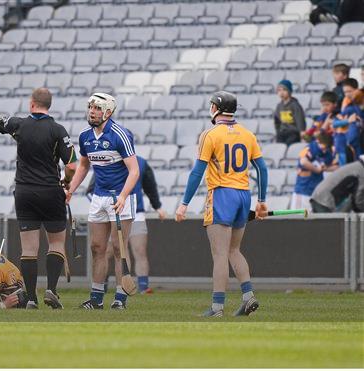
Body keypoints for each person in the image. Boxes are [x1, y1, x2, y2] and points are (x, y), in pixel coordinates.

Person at [0, 88, 77, 310]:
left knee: (29, 249)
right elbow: (72, 164)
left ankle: (31, 298)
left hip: (24, 193)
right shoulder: (57, 130)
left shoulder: (18, 125)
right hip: (51, 192)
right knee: (56, 243)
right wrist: (66, 181)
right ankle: (51, 289)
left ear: (32, 104)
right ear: (48, 105)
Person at [175, 91, 269, 317]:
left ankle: (217, 307)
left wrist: (184, 203)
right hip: (243, 194)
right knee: (234, 250)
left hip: (221, 195)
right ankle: (248, 297)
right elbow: (262, 169)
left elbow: (198, 171)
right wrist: (262, 201)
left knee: (219, 254)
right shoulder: (247, 134)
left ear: (216, 108)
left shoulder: (210, 134)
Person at [66, 93, 139, 310]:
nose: (92, 111)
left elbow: (134, 171)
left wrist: (124, 196)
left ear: (107, 112)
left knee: (119, 248)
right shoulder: (85, 136)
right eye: (90, 107)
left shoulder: (120, 134)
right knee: (97, 247)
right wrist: (71, 189)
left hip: (120, 197)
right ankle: (96, 299)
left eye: (97, 108)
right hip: (98, 197)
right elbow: (83, 165)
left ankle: (120, 299)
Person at [86, 155, 166, 294]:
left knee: (139, 250)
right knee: (113, 251)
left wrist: (157, 206)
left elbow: (150, 186)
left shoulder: (141, 162)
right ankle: (105, 286)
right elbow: (92, 188)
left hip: (137, 212)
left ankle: (142, 286)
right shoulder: (106, 160)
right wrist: (102, 207)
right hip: (113, 214)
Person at [291, 133, 337, 210]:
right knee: (298, 218)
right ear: (317, 141)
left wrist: (325, 168)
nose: (325, 150)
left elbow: (337, 167)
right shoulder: (308, 148)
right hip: (303, 190)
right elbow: (303, 162)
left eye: (326, 147)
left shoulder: (328, 153)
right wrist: (317, 170)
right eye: (323, 147)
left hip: (316, 191)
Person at [333, 78, 364, 165]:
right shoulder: (349, 107)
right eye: (345, 92)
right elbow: (334, 123)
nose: (347, 94)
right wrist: (348, 120)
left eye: (350, 91)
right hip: (348, 145)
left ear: (357, 90)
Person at [274, 79, 307, 145]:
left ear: (289, 91)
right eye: (279, 90)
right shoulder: (279, 106)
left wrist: (302, 133)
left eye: (284, 90)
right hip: (282, 133)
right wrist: (278, 131)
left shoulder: (295, 105)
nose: (281, 92)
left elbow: (300, 120)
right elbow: (277, 121)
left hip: (293, 133)